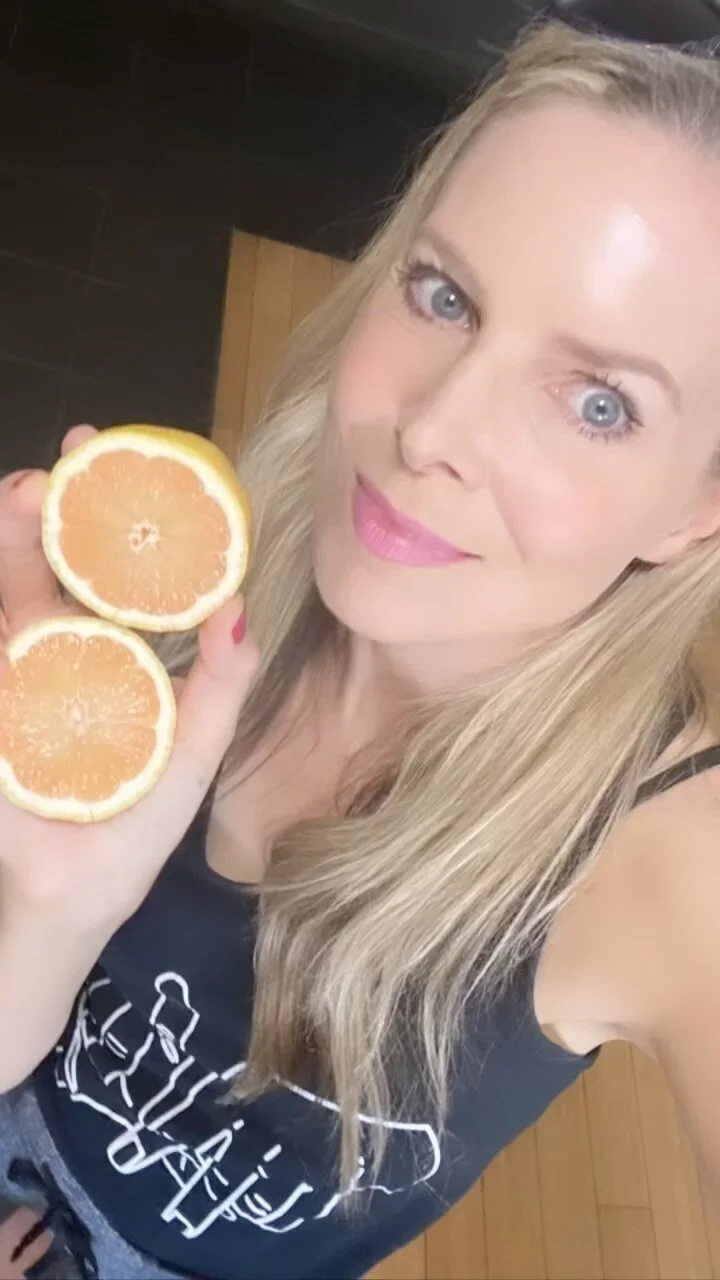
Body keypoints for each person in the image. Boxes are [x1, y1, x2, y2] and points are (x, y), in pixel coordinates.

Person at [2, 17, 720, 1280]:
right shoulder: (217, 557)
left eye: (600, 402)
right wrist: (44, 909)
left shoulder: (671, 857)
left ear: (695, 508)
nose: (430, 430)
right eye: (444, 295)